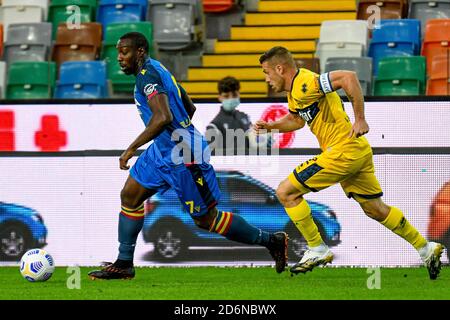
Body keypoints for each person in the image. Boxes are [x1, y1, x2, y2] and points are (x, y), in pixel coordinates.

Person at [88, 33, 288, 280]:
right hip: (162, 151)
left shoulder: (148, 76)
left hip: (184, 156)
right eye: (118, 52)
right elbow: (189, 107)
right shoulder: (158, 68)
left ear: (140, 52)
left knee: (206, 221)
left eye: (125, 52)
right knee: (129, 195)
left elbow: (163, 117)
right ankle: (124, 263)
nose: (120, 58)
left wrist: (131, 148)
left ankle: (272, 241)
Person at [254, 46, 445, 279]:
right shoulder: (295, 91)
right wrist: (270, 126)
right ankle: (426, 248)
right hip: (356, 151)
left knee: (286, 192)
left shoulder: (306, 83)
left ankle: (317, 247)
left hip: (342, 151)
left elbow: (348, 77)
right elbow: (296, 120)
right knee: (375, 209)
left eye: (266, 72)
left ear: (280, 68)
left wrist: (360, 119)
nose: (266, 79)